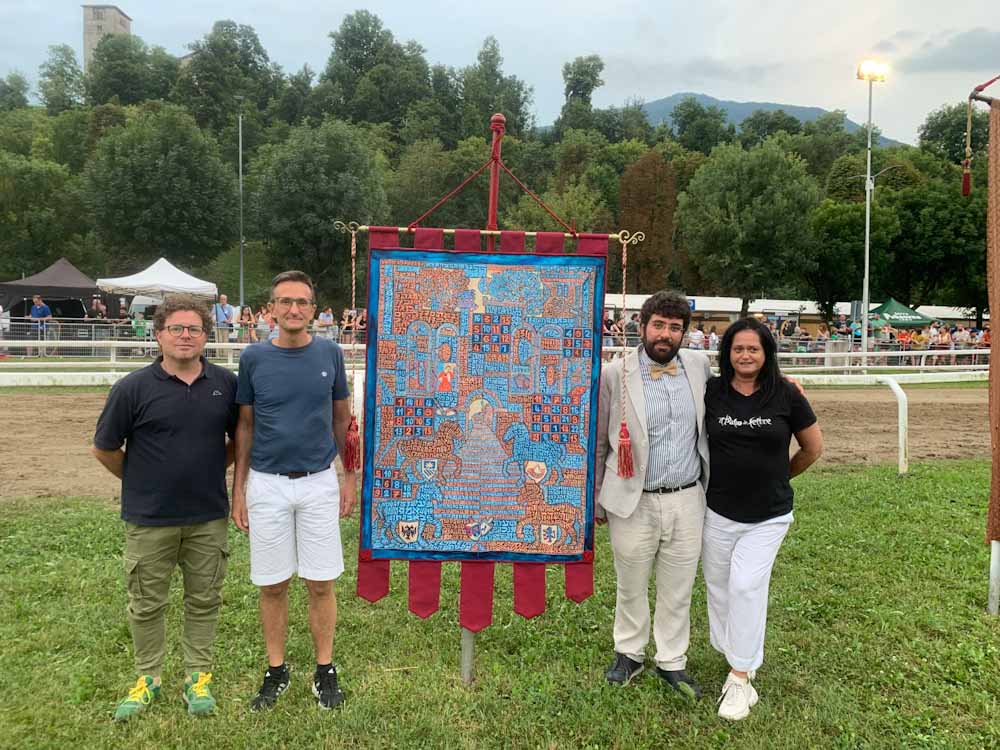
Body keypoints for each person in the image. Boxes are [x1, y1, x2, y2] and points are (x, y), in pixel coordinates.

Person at [91, 295, 238, 721]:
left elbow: (238, 441)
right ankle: (148, 678)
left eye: (194, 329)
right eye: (176, 328)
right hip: (150, 519)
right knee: (146, 603)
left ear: (206, 336)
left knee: (204, 599)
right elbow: (104, 448)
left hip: (207, 516)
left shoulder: (226, 385)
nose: (185, 336)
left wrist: (210, 469)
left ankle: (198, 678)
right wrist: (141, 480)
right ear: (159, 335)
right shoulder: (132, 388)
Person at [231, 270, 357, 711]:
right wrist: (239, 491)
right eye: (285, 301)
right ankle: (276, 669)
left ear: (314, 310)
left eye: (302, 302)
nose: (293, 309)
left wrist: (349, 476)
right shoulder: (253, 358)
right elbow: (245, 427)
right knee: (273, 585)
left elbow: (343, 419)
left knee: (321, 583)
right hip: (267, 484)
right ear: (271, 310)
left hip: (318, 482)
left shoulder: (330, 353)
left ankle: (324, 669)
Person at [701, 317, 822, 720]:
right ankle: (737, 654)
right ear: (728, 353)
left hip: (768, 516)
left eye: (753, 348)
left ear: (767, 352)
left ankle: (740, 678)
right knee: (720, 590)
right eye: (738, 348)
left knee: (746, 586)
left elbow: (812, 448)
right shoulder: (712, 391)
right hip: (717, 512)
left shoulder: (786, 393)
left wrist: (779, 476)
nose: (746, 355)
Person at [594, 290, 712, 699]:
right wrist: (597, 497)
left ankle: (672, 660)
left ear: (685, 333)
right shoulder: (616, 373)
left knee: (678, 587)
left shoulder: (699, 366)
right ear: (642, 326)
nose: (665, 334)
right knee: (630, 583)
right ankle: (629, 653)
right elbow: (600, 441)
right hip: (632, 498)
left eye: (675, 328)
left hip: (687, 497)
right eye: (658, 325)